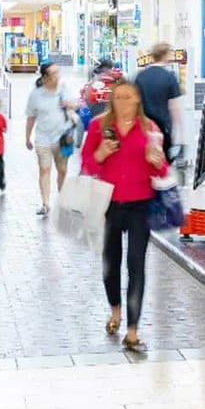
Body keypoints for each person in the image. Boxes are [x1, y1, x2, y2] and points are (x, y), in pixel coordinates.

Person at [82, 79, 167, 352]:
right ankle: (115, 310)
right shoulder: (99, 126)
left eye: (128, 97)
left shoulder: (150, 129)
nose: (123, 102)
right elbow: (86, 163)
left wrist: (157, 163)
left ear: (138, 100)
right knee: (110, 263)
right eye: (118, 97)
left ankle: (132, 331)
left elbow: (162, 170)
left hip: (141, 204)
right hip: (109, 203)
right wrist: (100, 153)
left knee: (136, 265)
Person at [25, 62, 71, 215]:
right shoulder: (36, 94)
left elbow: (76, 106)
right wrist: (27, 137)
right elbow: (31, 117)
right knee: (45, 169)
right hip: (42, 138)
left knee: (62, 170)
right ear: (45, 78)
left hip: (63, 137)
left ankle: (63, 199)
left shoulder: (64, 89)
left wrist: (70, 104)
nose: (57, 76)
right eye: (54, 73)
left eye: (58, 72)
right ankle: (45, 203)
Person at [134, 42, 183, 161]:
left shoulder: (140, 76)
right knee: (161, 161)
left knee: (142, 159)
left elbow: (134, 102)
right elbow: (174, 106)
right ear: (165, 55)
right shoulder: (170, 77)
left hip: (142, 125)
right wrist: (179, 130)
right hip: (162, 126)